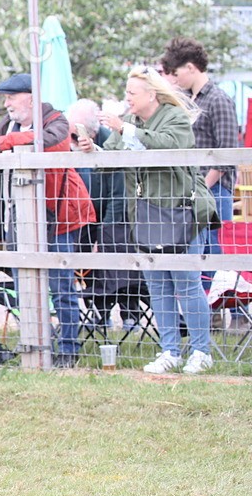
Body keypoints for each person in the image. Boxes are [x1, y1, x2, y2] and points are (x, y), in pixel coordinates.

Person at [100, 66, 219, 375]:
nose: (127, 98)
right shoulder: (128, 123)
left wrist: (125, 130)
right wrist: (91, 149)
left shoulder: (175, 117)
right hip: (146, 216)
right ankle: (170, 351)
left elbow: (169, 145)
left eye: (131, 93)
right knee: (158, 286)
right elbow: (108, 158)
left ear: (151, 94)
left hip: (182, 213)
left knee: (187, 284)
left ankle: (201, 351)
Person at [0, 72, 95, 367]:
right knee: (23, 283)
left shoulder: (56, 121)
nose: (7, 103)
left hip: (60, 215)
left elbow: (46, 141)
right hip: (19, 218)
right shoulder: (7, 125)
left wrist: (3, 142)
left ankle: (67, 349)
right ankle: (37, 342)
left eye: (11, 97)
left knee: (62, 286)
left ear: (30, 97)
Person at [160, 37, 240, 286]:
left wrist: (202, 187)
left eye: (176, 72)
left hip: (214, 190)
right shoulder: (186, 100)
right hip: (192, 189)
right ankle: (207, 310)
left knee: (216, 249)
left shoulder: (219, 100)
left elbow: (227, 154)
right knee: (197, 250)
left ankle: (231, 309)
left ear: (190, 67)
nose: (174, 78)